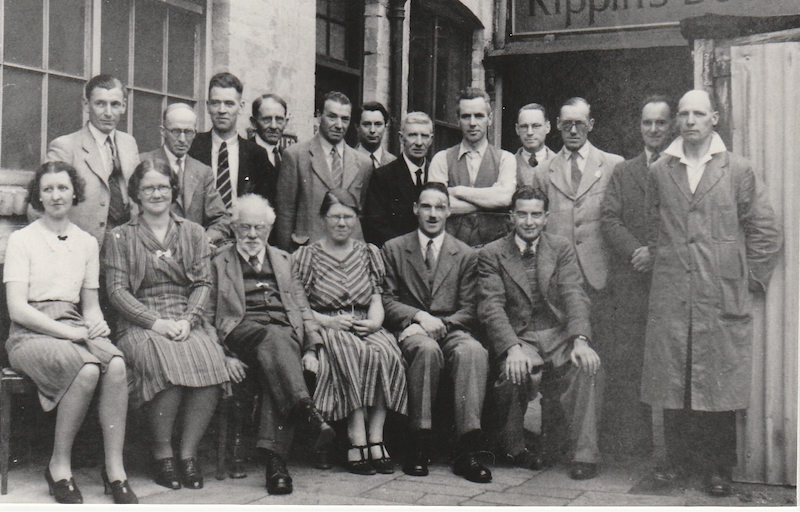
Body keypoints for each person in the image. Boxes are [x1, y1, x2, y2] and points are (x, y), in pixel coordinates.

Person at [643, 90, 781, 497]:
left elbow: (765, 228)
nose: (689, 121)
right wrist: (662, 258)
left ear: (714, 118)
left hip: (719, 292)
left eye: (698, 114)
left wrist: (750, 277)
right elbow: (654, 223)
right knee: (674, 380)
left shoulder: (737, 170)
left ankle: (718, 468)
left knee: (716, 382)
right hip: (672, 291)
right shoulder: (661, 170)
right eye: (683, 114)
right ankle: (676, 465)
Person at [5, 162, 136, 504]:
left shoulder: (87, 243)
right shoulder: (22, 240)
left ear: (74, 192)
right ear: (38, 196)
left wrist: (96, 325)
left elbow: (90, 304)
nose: (56, 195)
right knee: (87, 367)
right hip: (29, 332)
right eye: (47, 189)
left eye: (62, 188)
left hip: (74, 324)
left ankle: (115, 468)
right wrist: (69, 334)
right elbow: (18, 309)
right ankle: (59, 465)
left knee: (117, 364)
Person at [104, 159, 232, 491]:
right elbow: (117, 291)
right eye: (148, 187)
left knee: (210, 362)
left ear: (173, 190)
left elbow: (204, 283)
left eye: (163, 186)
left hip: (185, 317)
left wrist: (189, 320)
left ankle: (187, 455)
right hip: (140, 321)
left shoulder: (193, 232)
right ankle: (162, 454)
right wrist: (156, 323)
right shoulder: (120, 236)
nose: (156, 193)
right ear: (136, 193)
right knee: (165, 362)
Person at [209, 194, 335, 495]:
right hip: (241, 331)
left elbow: (302, 308)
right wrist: (223, 356)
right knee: (275, 338)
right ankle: (305, 409)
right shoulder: (219, 261)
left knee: (276, 356)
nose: (252, 235)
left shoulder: (283, 259)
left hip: (282, 338)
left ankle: (276, 466)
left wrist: (311, 347)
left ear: (269, 228)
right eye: (244, 228)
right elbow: (207, 314)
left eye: (259, 228)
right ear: (233, 228)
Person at [479, 186, 603, 481]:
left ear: (546, 217)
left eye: (536, 214)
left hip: (558, 333)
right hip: (521, 335)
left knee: (588, 366)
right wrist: (511, 347)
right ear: (511, 217)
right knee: (513, 371)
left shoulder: (560, 248)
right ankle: (513, 448)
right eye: (522, 214)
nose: (529, 221)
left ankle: (584, 454)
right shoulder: (492, 253)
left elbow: (574, 294)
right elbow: (492, 307)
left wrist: (580, 340)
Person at [382, 182, 492, 483]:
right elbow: (386, 299)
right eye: (426, 206)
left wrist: (441, 325)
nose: (433, 214)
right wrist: (418, 317)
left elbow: (470, 307)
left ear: (449, 211)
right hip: (412, 329)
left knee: (473, 351)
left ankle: (466, 447)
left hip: (451, 326)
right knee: (425, 349)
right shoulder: (394, 248)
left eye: (440, 207)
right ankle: (419, 443)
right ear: (416, 209)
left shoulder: (466, 254)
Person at [292, 189, 407, 475]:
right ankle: (356, 437)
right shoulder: (308, 255)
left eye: (348, 217)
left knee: (386, 352)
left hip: (364, 322)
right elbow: (297, 304)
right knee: (349, 350)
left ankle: (376, 436)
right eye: (335, 217)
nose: (341, 223)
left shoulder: (368, 253)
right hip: (327, 324)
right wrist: (327, 322)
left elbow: (377, 298)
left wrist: (375, 322)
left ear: (356, 219)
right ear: (322, 219)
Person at [599, 95, 673, 458]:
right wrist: (636, 252)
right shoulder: (624, 171)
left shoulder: (680, 167)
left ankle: (675, 450)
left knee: (671, 362)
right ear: (639, 126)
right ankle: (635, 444)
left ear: (670, 125)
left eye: (661, 122)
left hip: (670, 281)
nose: (654, 129)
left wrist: (656, 253)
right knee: (629, 360)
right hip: (632, 281)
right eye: (648, 122)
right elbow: (609, 219)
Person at [532, 97, 623, 372]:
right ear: (557, 125)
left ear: (591, 125)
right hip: (560, 282)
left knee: (605, 357)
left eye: (579, 124)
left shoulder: (612, 165)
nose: (573, 131)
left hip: (601, 278)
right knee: (561, 364)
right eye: (567, 124)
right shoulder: (542, 172)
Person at [41, 74, 139, 246]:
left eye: (115, 104)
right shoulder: (65, 147)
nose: (108, 113)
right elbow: (40, 206)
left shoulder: (129, 143)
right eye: (100, 103)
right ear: (86, 105)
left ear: (124, 106)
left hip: (127, 245)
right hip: (81, 249)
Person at [275, 91, 373, 251]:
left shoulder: (363, 163)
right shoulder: (296, 155)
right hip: (308, 252)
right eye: (332, 117)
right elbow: (285, 214)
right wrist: (287, 261)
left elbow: (361, 212)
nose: (339, 125)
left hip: (349, 254)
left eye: (345, 119)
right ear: (319, 116)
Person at [428, 88, 516, 247]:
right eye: (466, 116)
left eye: (479, 116)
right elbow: (436, 205)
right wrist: (490, 201)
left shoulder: (505, 158)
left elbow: (505, 198)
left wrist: (456, 191)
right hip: (451, 252)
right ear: (457, 120)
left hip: (495, 252)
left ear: (489, 118)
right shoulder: (442, 159)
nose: (473, 123)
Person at [140, 103, 231, 246]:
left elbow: (221, 219)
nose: (182, 139)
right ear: (163, 131)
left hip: (191, 257)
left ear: (195, 133)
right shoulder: (143, 163)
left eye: (188, 132)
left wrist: (205, 240)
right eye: (176, 131)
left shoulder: (202, 172)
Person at [188, 72, 275, 208]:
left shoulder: (257, 155)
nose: (222, 110)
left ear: (240, 107)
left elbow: (266, 206)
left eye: (229, 104)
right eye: (216, 103)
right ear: (207, 106)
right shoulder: (192, 146)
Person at [363, 111, 434, 247]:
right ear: (402, 139)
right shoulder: (383, 176)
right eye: (413, 135)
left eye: (424, 136)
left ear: (430, 140)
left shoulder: (436, 174)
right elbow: (376, 226)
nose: (419, 142)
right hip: (397, 257)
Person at [514, 103, 556, 188]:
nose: (530, 132)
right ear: (517, 129)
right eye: (524, 126)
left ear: (547, 127)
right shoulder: (508, 164)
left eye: (536, 126)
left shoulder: (559, 163)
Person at [250, 93, 293, 171]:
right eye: (267, 119)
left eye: (279, 119)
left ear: (286, 122)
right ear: (254, 122)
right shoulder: (243, 154)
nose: (274, 126)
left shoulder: (289, 157)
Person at [355, 101, 396, 169]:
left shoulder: (394, 163)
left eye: (378, 124)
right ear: (357, 127)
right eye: (367, 124)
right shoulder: (346, 161)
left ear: (385, 127)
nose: (372, 130)